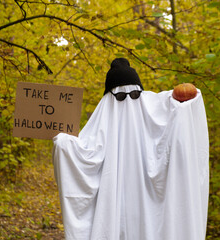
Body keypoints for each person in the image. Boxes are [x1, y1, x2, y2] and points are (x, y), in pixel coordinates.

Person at [53, 58, 209, 240]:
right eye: (120, 97)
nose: (128, 99)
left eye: (134, 94)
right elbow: (84, 155)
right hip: (114, 207)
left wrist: (186, 103)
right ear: (109, 98)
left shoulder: (153, 110)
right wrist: (63, 143)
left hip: (150, 208)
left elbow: (176, 112)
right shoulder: (102, 119)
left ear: (141, 92)